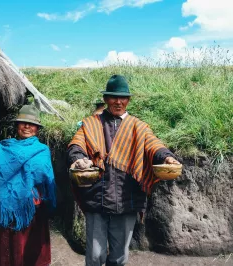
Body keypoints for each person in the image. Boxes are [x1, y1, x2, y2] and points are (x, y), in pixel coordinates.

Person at [67, 74, 180, 266]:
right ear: (105, 99)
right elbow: (76, 145)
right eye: (113, 97)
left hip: (127, 197)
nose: (118, 102)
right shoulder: (91, 124)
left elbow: (153, 145)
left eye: (123, 98)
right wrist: (79, 160)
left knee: (120, 256)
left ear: (128, 100)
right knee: (95, 255)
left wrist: (166, 156)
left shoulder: (138, 126)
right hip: (97, 197)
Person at [0, 104, 56, 266]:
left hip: (30, 211)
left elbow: (45, 177)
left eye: (31, 124)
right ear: (16, 126)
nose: (27, 126)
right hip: (4, 210)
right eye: (22, 122)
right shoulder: (1, 147)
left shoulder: (42, 150)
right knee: (5, 253)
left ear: (37, 128)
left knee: (29, 252)